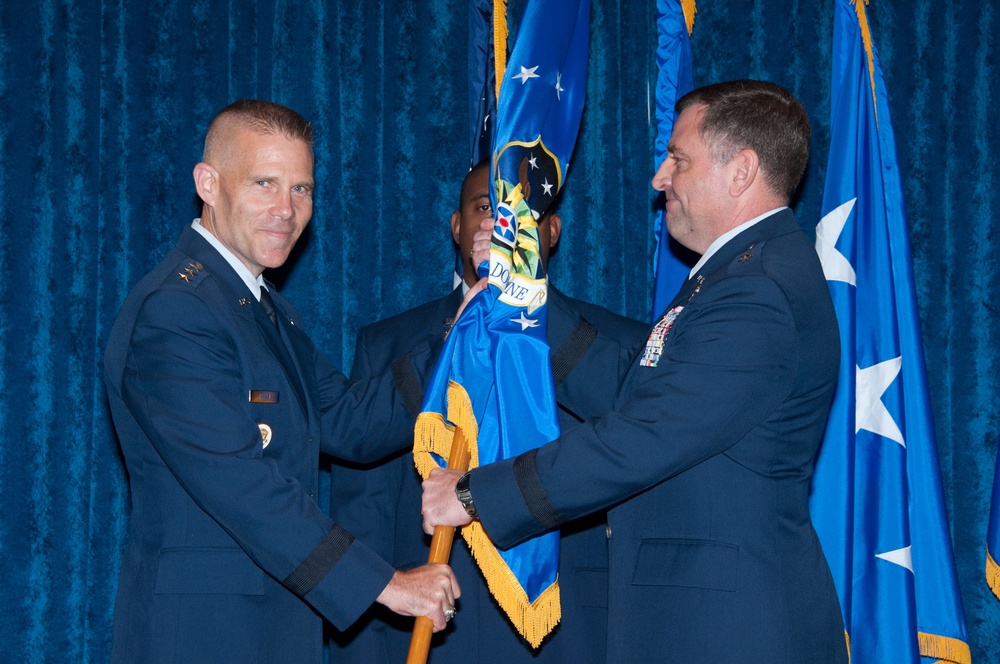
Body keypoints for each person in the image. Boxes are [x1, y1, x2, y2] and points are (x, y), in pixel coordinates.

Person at [423, 79, 849, 662]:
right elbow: (639, 386)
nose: (660, 179)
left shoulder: (758, 291)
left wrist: (476, 495)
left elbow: (643, 435)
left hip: (725, 630)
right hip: (702, 618)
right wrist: (525, 291)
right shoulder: (737, 276)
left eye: (678, 159)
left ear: (741, 170)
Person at [103, 99, 460, 664]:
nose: (286, 210)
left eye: (302, 189)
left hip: (274, 627)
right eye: (265, 183)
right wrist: (385, 584)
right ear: (208, 183)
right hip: (203, 635)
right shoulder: (176, 310)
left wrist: (461, 336)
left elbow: (350, 422)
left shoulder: (265, 309)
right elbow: (245, 487)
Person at [328, 159, 649, 662]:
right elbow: (362, 516)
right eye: (483, 208)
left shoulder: (616, 344)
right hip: (428, 632)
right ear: (457, 227)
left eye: (517, 212)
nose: (498, 227)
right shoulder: (389, 344)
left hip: (570, 632)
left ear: (552, 231)